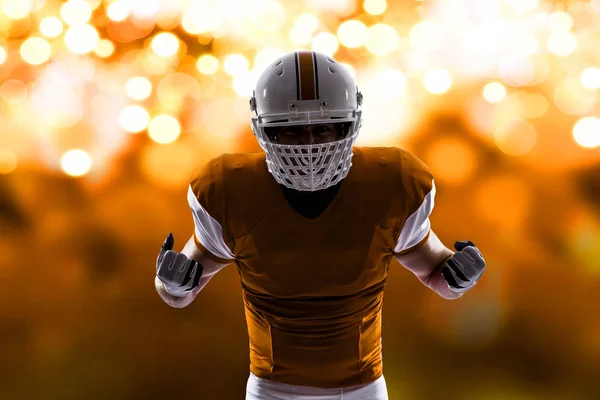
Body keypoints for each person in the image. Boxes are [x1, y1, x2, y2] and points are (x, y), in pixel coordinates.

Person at [154, 51, 486, 400]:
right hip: (273, 390)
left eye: (323, 127)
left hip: (361, 387)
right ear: (263, 129)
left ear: (350, 123)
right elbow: (181, 294)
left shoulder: (392, 185)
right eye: (292, 130)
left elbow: (436, 274)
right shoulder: (229, 193)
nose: (309, 145)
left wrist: (458, 276)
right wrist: (172, 284)